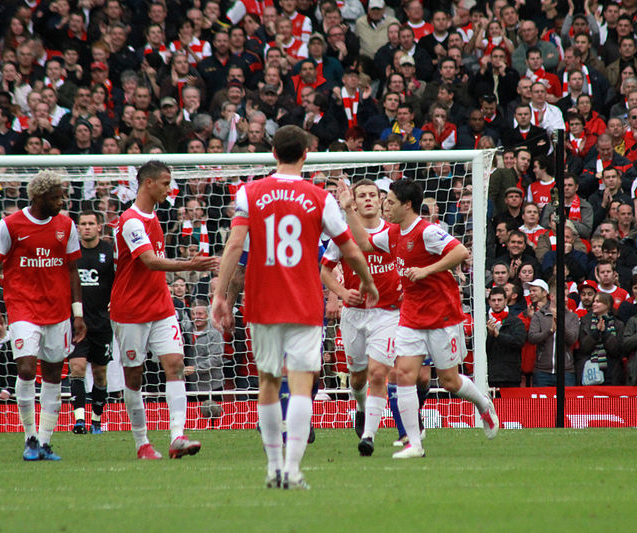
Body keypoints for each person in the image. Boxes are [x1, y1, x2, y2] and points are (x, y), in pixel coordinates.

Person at [212, 125, 378, 489]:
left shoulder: (249, 193)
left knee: (268, 381)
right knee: (302, 383)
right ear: (306, 154)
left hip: (262, 300)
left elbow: (234, 245)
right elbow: (350, 248)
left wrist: (220, 295)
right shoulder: (320, 198)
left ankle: (273, 469)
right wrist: (366, 281)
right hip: (303, 300)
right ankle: (293, 469)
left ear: (273, 153)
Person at [339, 177, 498, 459]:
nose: (385, 207)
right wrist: (349, 209)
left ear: (407, 205)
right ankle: (415, 444)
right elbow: (362, 243)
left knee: (449, 381)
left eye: (389, 202)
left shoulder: (427, 232)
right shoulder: (393, 234)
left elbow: (461, 252)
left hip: (441, 314)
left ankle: (483, 404)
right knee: (403, 375)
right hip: (410, 315)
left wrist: (427, 270)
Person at [109, 160, 219, 461]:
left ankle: (177, 437)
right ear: (148, 183)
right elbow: (150, 261)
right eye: (166, 182)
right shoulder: (131, 221)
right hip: (130, 310)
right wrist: (189, 265)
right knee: (134, 377)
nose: (170, 188)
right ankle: (142, 443)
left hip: (161, 306)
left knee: (175, 364)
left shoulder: (154, 218)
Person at [0, 170, 87, 461]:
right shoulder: (11, 225)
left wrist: (77, 312)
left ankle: (45, 441)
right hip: (23, 309)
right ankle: (29, 436)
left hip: (57, 311)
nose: (61, 201)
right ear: (39, 197)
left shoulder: (66, 225)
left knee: (54, 375)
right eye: (56, 197)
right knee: (28, 370)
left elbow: (71, 270)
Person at [320, 179, 427, 456]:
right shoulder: (342, 235)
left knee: (379, 373)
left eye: (373, 195)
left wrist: (409, 286)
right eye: (362, 195)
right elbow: (324, 271)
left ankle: (368, 435)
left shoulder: (395, 231)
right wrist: (342, 292)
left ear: (381, 200)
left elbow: (414, 262)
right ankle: (359, 407)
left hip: (388, 313)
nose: (368, 199)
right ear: (353, 202)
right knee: (357, 378)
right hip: (355, 314)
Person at [69, 210, 114, 435]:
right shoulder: (72, 253)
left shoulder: (108, 252)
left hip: (102, 324)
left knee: (100, 374)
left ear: (99, 227)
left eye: (90, 223)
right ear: (77, 228)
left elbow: (119, 281)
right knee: (76, 367)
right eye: (83, 224)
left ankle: (96, 419)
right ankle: (79, 420)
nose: (86, 227)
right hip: (76, 322)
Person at [526, 279, 579, 387]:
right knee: (542, 404)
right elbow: (532, 337)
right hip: (542, 372)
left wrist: (560, 325)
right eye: (562, 296)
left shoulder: (572, 317)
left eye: (566, 296)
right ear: (552, 296)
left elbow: (572, 339)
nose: (565, 299)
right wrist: (550, 331)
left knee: (567, 403)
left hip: (566, 372)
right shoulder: (539, 315)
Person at [577, 292, 626, 385]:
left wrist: (605, 333)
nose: (594, 304)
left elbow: (617, 350)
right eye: (594, 301)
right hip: (590, 370)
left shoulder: (618, 324)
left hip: (611, 372)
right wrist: (595, 333)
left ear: (607, 304)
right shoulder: (585, 321)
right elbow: (584, 348)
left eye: (598, 301)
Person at [486, 287, 526, 388]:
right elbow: (479, 349)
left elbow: (519, 341)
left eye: (499, 300)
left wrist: (498, 335)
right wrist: (491, 335)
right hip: (489, 376)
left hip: (510, 376)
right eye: (493, 300)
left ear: (506, 300)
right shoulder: (482, 322)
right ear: (489, 302)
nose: (496, 303)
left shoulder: (516, 321)